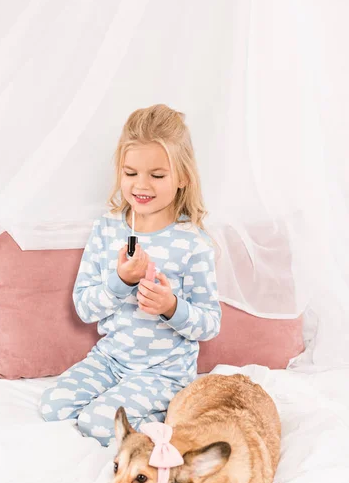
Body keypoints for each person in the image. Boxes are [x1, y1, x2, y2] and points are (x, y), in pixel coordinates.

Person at [40, 104, 222, 446]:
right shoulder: (107, 229)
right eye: (130, 173)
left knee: (97, 423)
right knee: (53, 408)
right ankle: (126, 404)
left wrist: (170, 306)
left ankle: (166, 414)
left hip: (162, 374)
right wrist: (120, 281)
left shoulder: (192, 243)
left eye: (157, 175)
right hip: (111, 360)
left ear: (182, 177)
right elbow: (85, 308)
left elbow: (210, 323)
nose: (141, 185)